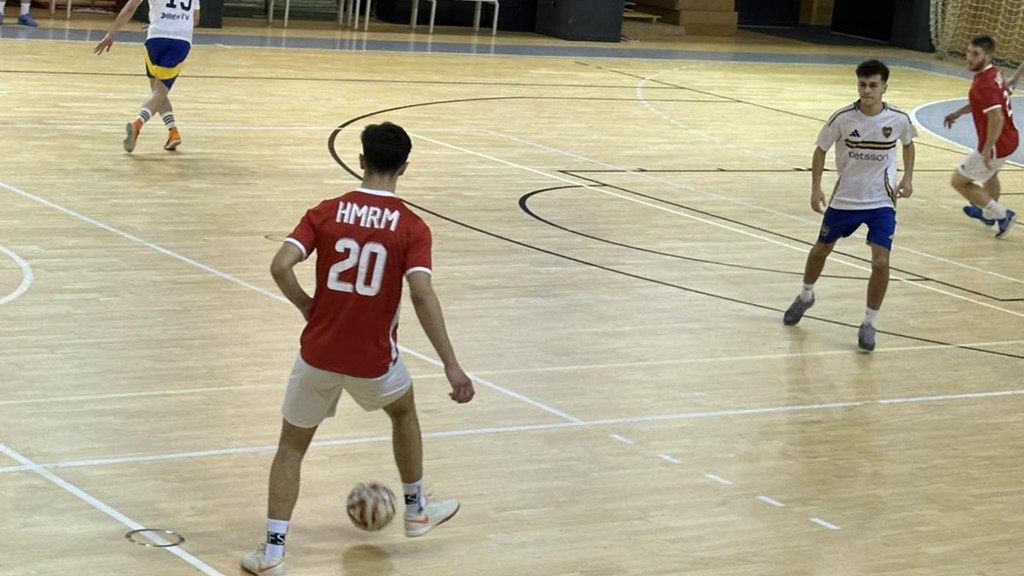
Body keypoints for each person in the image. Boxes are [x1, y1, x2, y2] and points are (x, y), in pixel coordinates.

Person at [241, 122, 476, 576]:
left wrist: (307, 305)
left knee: (291, 448)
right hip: (373, 360)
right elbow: (422, 294)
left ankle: (272, 554)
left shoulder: (325, 212)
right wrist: (451, 365)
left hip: (317, 354)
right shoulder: (412, 227)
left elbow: (280, 266)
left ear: (361, 160)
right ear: (404, 168)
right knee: (402, 412)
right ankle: (416, 509)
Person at [783, 59, 916, 352]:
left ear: (884, 87)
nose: (867, 90)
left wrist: (907, 177)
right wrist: (816, 188)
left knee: (881, 262)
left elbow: (908, 144)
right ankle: (806, 295)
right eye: (862, 84)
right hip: (845, 200)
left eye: (873, 85)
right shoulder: (842, 118)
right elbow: (820, 150)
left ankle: (869, 322)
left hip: (881, 202)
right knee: (821, 249)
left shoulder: (898, 119)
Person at [92, 0, 200, 153]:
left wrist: (111, 34)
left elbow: (130, 8)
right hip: (181, 41)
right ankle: (142, 125)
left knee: (157, 90)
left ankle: (171, 131)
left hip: (156, 38)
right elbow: (195, 19)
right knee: (160, 91)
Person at [943, 34, 1018, 237]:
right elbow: (982, 102)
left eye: (975, 54)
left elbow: (997, 117)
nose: (969, 57)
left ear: (988, 56)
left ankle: (1003, 215)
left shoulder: (984, 83)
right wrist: (958, 113)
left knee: (959, 182)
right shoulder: (994, 73)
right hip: (1010, 139)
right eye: (968, 52)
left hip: (997, 144)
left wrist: (987, 148)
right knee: (990, 176)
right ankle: (988, 213)